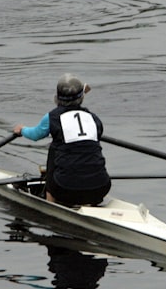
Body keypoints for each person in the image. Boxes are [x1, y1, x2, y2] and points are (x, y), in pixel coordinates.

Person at [13, 74, 111, 206]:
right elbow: (97, 135)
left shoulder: (52, 117)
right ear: (81, 98)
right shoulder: (94, 119)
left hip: (64, 188)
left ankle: (50, 202)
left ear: (57, 98)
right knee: (89, 149)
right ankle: (89, 200)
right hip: (101, 187)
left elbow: (36, 134)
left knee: (55, 148)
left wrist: (22, 130)